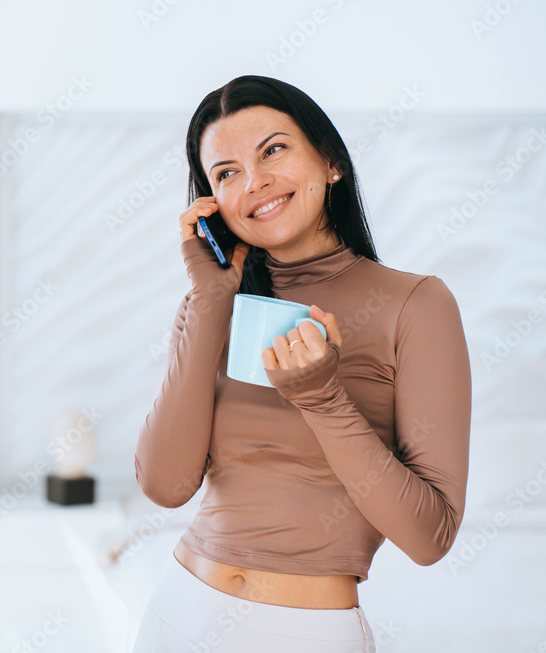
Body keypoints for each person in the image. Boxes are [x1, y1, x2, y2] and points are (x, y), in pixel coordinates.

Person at [131, 75, 472, 652]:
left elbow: (429, 537)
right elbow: (166, 485)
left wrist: (321, 397)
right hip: (179, 611)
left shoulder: (417, 304)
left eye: (274, 150)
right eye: (227, 172)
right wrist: (211, 300)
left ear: (331, 162)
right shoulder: (211, 304)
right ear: (212, 202)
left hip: (307, 632)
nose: (255, 181)